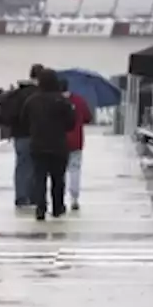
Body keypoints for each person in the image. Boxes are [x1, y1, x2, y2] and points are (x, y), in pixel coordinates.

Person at [19, 69, 76, 220]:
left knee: (39, 178)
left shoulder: (32, 101)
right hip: (58, 144)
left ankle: (40, 207)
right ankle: (58, 206)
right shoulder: (62, 101)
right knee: (58, 178)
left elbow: (23, 121)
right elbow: (71, 123)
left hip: (38, 144)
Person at [0, 63, 44, 208]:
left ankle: (21, 196)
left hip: (19, 134)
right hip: (36, 134)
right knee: (36, 167)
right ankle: (34, 196)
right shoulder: (40, 94)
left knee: (21, 166)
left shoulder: (18, 93)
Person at [61, 78, 94, 211]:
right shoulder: (79, 100)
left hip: (59, 141)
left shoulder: (55, 101)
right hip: (76, 141)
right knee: (75, 170)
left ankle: (59, 198)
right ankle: (74, 198)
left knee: (60, 172)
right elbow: (88, 117)